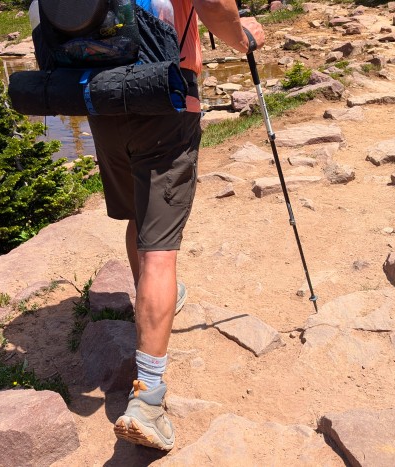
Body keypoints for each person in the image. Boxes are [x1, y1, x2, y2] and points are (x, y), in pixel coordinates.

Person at [87, 0, 265, 452]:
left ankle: (148, 300)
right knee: (160, 252)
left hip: (101, 100)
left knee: (135, 217)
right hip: (163, 98)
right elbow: (218, 10)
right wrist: (245, 35)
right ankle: (148, 399)